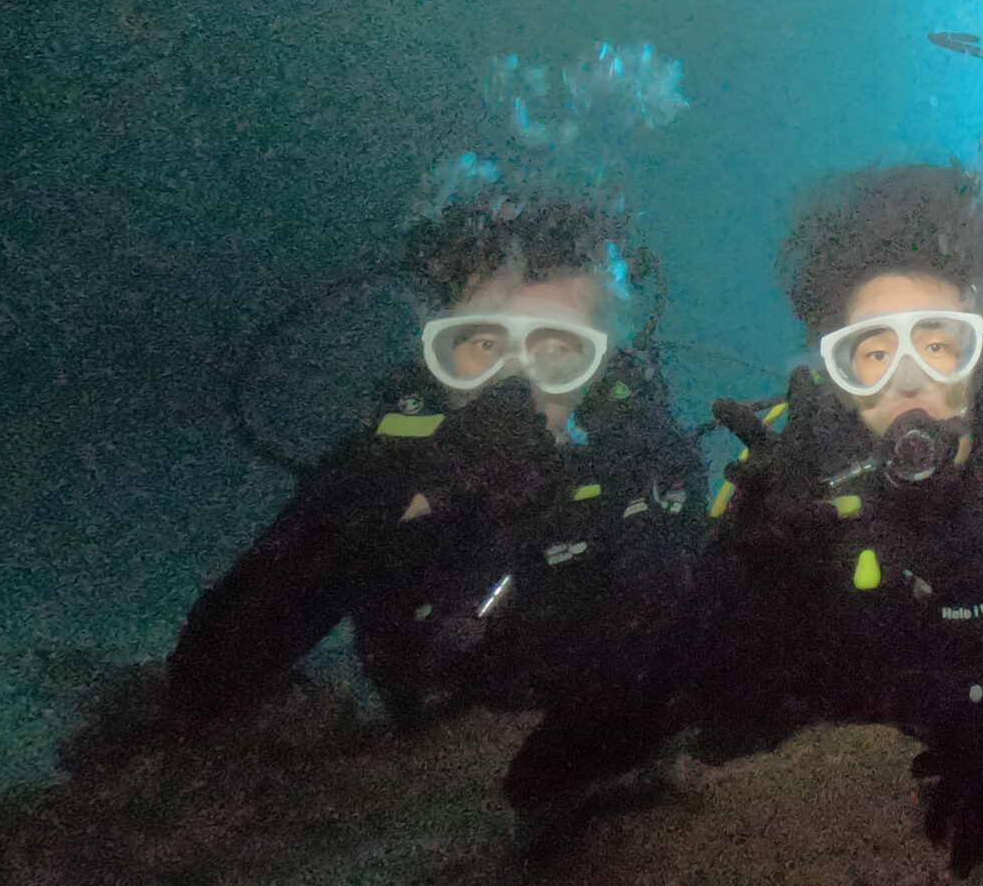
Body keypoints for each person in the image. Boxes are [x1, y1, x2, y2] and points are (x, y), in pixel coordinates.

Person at [505, 165, 983, 872]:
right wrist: (743, 588)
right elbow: (671, 693)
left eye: (938, 345)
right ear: (836, 375)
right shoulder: (794, 496)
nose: (908, 378)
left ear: (980, 357)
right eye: (873, 353)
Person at [164, 195, 705, 732]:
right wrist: (359, 520)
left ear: (604, 366)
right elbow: (209, 674)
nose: (512, 385)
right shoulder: (390, 465)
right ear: (439, 354)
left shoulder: (643, 472)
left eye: (558, 351)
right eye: (484, 344)